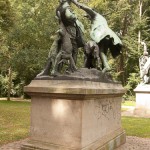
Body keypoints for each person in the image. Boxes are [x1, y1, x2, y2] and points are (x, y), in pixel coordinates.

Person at [72, 0, 122, 72]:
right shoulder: (101, 18)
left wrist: (76, 3)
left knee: (100, 50)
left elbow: (87, 8)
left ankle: (106, 66)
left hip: (103, 35)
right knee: (103, 52)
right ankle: (104, 67)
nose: (89, 18)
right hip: (108, 35)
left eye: (89, 16)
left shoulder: (95, 15)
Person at [56, 0, 85, 64]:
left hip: (64, 30)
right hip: (71, 31)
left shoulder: (59, 9)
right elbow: (70, 16)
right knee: (74, 49)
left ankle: (59, 68)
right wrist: (75, 16)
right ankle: (72, 69)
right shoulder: (66, 8)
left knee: (62, 49)